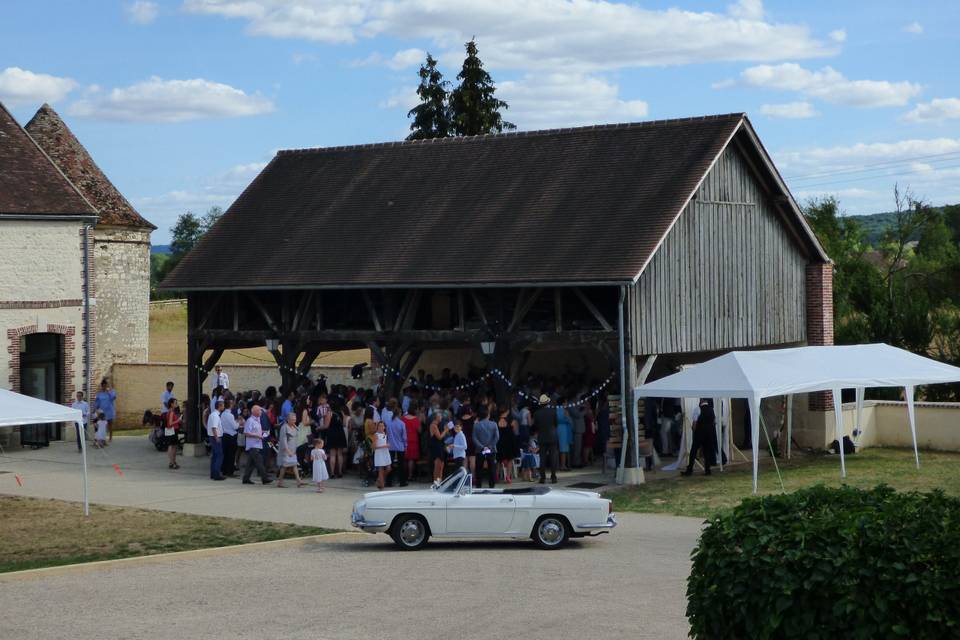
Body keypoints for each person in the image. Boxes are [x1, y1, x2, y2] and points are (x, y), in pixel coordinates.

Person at [682, 399, 717, 477]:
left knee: (693, 451)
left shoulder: (697, 409)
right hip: (709, 434)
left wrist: (694, 431)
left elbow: (694, 423)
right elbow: (714, 422)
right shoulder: (711, 409)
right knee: (707, 452)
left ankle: (689, 469)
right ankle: (707, 470)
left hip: (699, 433)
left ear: (701, 401)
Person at [242, 405, 271, 484]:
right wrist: (257, 436)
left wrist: (263, 433)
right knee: (259, 461)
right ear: (254, 412)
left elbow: (256, 430)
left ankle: (246, 478)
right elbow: (246, 433)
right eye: (259, 411)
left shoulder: (257, 420)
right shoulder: (250, 421)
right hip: (253, 445)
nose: (261, 412)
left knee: (251, 463)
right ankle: (264, 478)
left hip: (257, 444)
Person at [534, 395, 559, 484]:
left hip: (542, 437)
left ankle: (542, 477)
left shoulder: (537, 413)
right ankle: (553, 477)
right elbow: (556, 423)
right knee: (553, 457)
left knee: (542, 458)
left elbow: (536, 426)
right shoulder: (553, 412)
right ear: (548, 403)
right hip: (552, 436)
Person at [473, 408, 499, 488]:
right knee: (491, 468)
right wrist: (490, 446)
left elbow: (474, 438)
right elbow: (497, 437)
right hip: (491, 449)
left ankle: (478, 485)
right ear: (488, 415)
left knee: (479, 468)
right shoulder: (494, 424)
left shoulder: (476, 425)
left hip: (479, 449)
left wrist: (482, 447)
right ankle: (492, 485)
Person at [276, 412, 303, 488]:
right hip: (286, 449)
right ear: (288, 420)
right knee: (284, 466)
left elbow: (298, 433)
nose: (294, 421)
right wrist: (287, 450)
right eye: (292, 420)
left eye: (295, 419)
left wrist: (295, 425)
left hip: (293, 448)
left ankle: (298, 481)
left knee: (294, 464)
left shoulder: (294, 427)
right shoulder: (284, 427)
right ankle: (280, 482)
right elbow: (283, 440)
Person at [325, 400, 347, 478]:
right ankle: (340, 472)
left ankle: (332, 473)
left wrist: (320, 427)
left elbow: (326, 425)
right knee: (340, 454)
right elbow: (344, 424)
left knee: (332, 454)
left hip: (332, 433)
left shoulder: (329, 413)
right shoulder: (341, 413)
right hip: (340, 433)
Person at [497, 407, 519, 484]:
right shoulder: (512, 421)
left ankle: (496, 476)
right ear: (507, 411)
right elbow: (516, 432)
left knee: (498, 460)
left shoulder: (496, 421)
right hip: (509, 442)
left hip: (499, 442)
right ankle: (508, 477)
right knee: (510, 459)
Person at [386, 411, 408, 487]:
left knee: (390, 464)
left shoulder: (388, 423)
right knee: (401, 465)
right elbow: (404, 437)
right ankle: (402, 482)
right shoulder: (402, 424)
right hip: (400, 447)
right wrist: (405, 446)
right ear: (399, 414)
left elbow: (387, 434)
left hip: (390, 446)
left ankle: (389, 482)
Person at [207, 399, 225, 481]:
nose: (224, 407)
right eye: (223, 405)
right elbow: (214, 427)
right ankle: (216, 474)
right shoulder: (215, 415)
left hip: (212, 437)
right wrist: (217, 437)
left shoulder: (213, 414)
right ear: (219, 406)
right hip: (215, 437)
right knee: (219, 455)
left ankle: (213, 473)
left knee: (215, 456)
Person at [401, 404, 421, 481]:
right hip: (413, 440)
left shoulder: (403, 418)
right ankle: (410, 475)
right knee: (411, 459)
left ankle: (405, 474)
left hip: (405, 440)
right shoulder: (416, 419)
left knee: (405, 458)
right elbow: (419, 430)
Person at [220, 398, 239, 477]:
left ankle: (224, 470)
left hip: (224, 435)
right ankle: (230, 471)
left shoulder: (223, 414)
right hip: (231, 436)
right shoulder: (230, 415)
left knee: (225, 454)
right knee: (231, 455)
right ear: (230, 405)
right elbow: (235, 427)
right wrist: (238, 422)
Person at [372, 421, 391, 490]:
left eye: (382, 426)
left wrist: (386, 446)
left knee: (388, 468)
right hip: (379, 453)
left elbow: (385, 442)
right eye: (380, 426)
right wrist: (384, 446)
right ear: (377, 427)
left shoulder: (385, 434)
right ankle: (382, 486)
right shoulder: (376, 435)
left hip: (385, 453)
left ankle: (379, 479)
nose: (381, 427)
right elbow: (374, 447)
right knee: (380, 469)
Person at [428, 413, 447, 483]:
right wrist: (446, 430)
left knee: (441, 465)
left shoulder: (437, 425)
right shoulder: (433, 425)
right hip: (436, 448)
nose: (441, 417)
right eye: (440, 416)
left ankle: (440, 481)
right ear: (436, 417)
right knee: (437, 466)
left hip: (439, 447)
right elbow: (439, 437)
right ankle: (435, 482)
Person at [164, 398, 181, 469]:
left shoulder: (170, 412)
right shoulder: (171, 412)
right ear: (171, 404)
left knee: (173, 446)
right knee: (172, 447)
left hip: (172, 430)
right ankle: (172, 462)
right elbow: (170, 423)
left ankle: (173, 462)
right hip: (172, 430)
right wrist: (178, 420)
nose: (176, 404)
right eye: (175, 403)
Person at [556, 401, 573, 471]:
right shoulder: (565, 411)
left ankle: (557, 465)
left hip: (557, 428)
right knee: (563, 448)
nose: (567, 404)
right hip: (564, 430)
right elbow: (569, 421)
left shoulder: (556, 410)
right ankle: (563, 465)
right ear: (562, 403)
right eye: (565, 402)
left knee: (557, 448)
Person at [569, 403, 586, 468]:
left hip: (579, 429)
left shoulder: (577, 404)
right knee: (576, 447)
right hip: (576, 429)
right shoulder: (571, 405)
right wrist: (585, 410)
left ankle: (577, 461)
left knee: (578, 447)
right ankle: (575, 463)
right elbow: (578, 415)